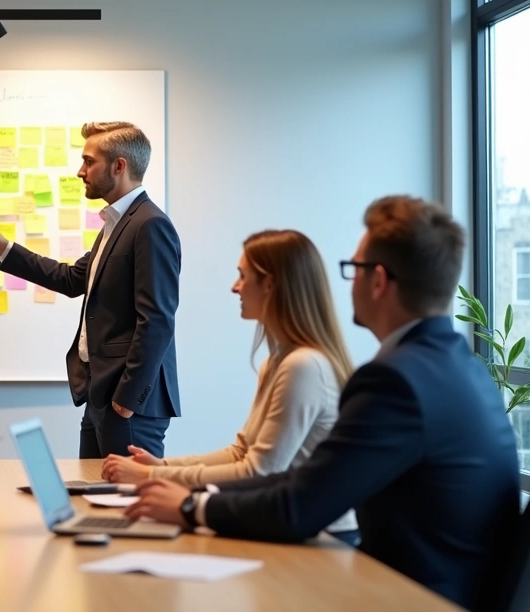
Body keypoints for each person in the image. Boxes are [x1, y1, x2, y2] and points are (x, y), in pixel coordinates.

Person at [127, 196, 520, 611]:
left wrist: (191, 505)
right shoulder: (465, 369)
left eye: (353, 269)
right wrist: (186, 490)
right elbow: (299, 482)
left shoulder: (395, 382)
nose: (347, 283)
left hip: (412, 596)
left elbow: (299, 506)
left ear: (379, 281)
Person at [102, 229, 358, 543]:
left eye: (242, 275)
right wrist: (163, 464)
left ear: (270, 284)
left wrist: (152, 476)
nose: (234, 287)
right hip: (292, 528)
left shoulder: (303, 366)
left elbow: (258, 471)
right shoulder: (278, 362)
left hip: (324, 537)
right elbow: (241, 452)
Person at [0, 121, 180, 458]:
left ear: (119, 166)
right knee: (94, 498)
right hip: (100, 397)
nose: (81, 171)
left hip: (127, 404)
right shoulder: (117, 224)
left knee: (128, 505)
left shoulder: (149, 225)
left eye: (89, 161)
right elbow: (69, 279)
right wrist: (4, 248)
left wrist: (127, 399)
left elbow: (157, 321)